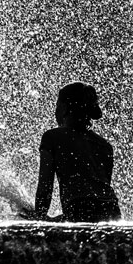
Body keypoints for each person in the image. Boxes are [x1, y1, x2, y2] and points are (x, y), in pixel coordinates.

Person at [28, 81, 121, 222]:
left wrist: (39, 217)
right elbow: (98, 191)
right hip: (112, 210)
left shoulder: (52, 137)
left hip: (79, 207)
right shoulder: (104, 145)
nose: (55, 110)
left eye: (57, 105)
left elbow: (45, 186)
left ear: (64, 107)